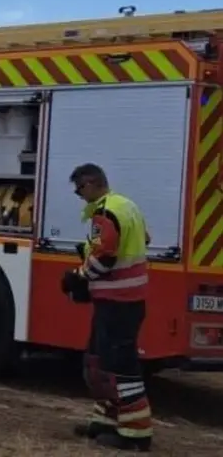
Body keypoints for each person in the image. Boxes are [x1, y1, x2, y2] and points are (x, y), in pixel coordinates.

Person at [62, 163, 153, 452]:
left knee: (120, 369)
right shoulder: (126, 206)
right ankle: (105, 422)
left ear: (90, 183)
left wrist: (78, 277)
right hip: (122, 301)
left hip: (119, 304)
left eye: (79, 189)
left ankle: (136, 433)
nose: (78, 195)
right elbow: (144, 239)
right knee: (100, 363)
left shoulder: (106, 212)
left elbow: (106, 257)